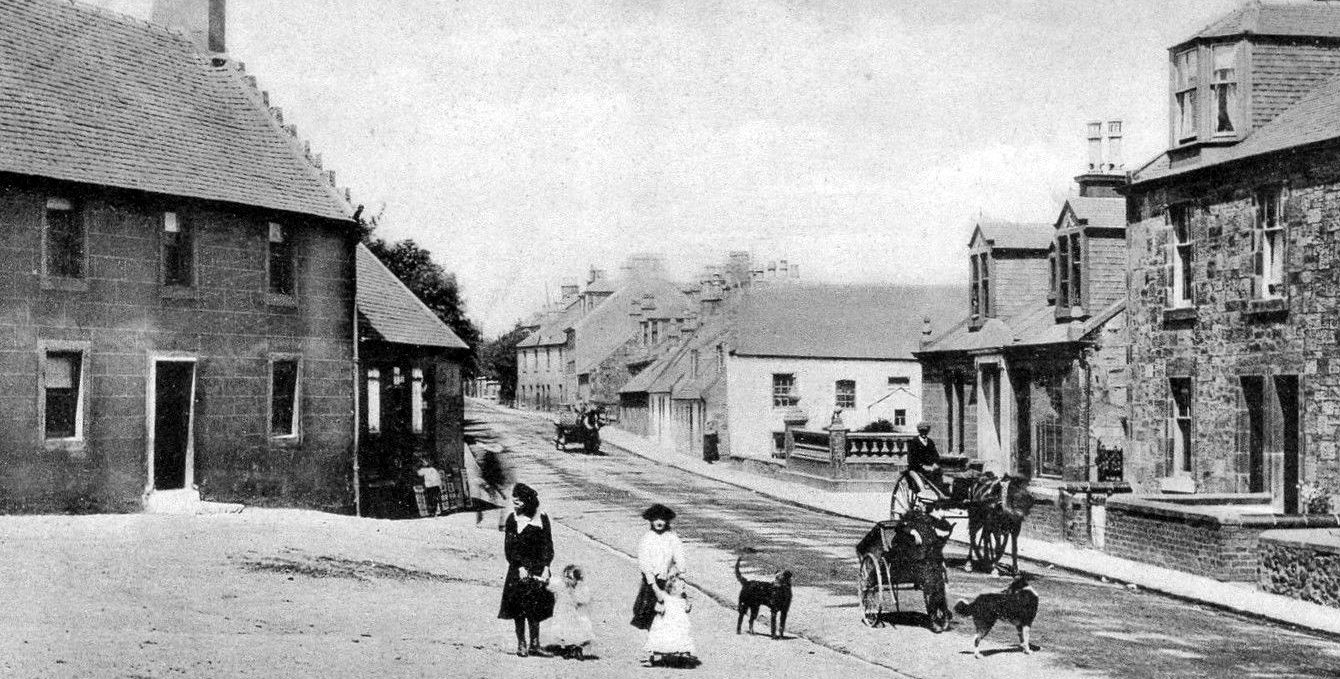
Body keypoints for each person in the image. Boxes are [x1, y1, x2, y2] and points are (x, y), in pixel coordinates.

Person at [498, 483, 555, 657]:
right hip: (518, 569)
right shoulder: (512, 519)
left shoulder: (541, 518)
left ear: (528, 501)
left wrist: (546, 567)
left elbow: (548, 544)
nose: (515, 503)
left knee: (535, 606)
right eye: (513, 500)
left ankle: (535, 644)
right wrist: (519, 567)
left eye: (519, 500)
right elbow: (509, 548)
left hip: (537, 568)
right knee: (519, 608)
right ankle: (521, 644)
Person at [630, 503, 686, 653]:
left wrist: (680, 575)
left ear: (667, 521)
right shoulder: (647, 539)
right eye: (656, 519)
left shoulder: (672, 538)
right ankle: (652, 649)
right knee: (652, 616)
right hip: (652, 583)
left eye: (662, 519)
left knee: (671, 615)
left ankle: (670, 648)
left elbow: (680, 558)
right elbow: (645, 565)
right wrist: (654, 587)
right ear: (650, 520)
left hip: (669, 583)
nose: (659, 522)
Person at [644, 573, 698, 667]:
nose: (684, 589)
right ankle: (650, 657)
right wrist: (652, 582)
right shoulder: (665, 597)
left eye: (684, 587)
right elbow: (657, 598)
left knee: (681, 638)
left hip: (679, 625)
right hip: (665, 624)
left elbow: (687, 609)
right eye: (682, 587)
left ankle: (684, 656)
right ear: (672, 589)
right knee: (658, 638)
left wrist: (689, 605)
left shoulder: (683, 599)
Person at [544, 564, 594, 660]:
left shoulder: (580, 588)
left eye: (571, 578)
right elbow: (550, 584)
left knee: (580, 631)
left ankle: (578, 649)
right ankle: (568, 649)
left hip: (576, 614)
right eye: (566, 578)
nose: (568, 580)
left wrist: (576, 596)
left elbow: (584, 599)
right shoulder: (561, 585)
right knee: (564, 631)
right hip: (563, 613)